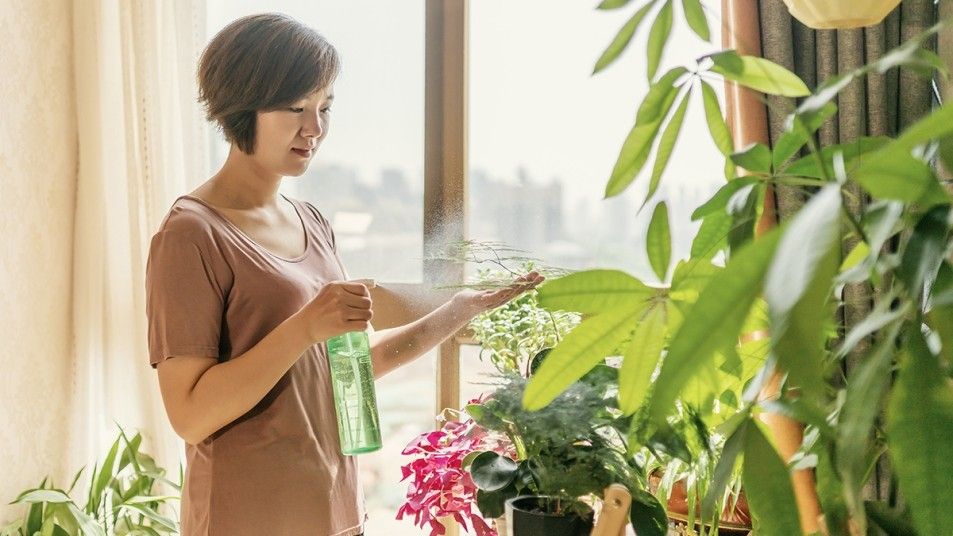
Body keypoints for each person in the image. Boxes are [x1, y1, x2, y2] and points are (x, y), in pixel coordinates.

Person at [144, 12, 543, 536]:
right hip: (246, 516)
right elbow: (190, 415)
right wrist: (303, 329)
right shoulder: (192, 234)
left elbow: (347, 378)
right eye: (296, 108)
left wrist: (458, 309)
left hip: (333, 508)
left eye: (324, 107)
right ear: (242, 104)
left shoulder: (311, 223)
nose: (315, 128)